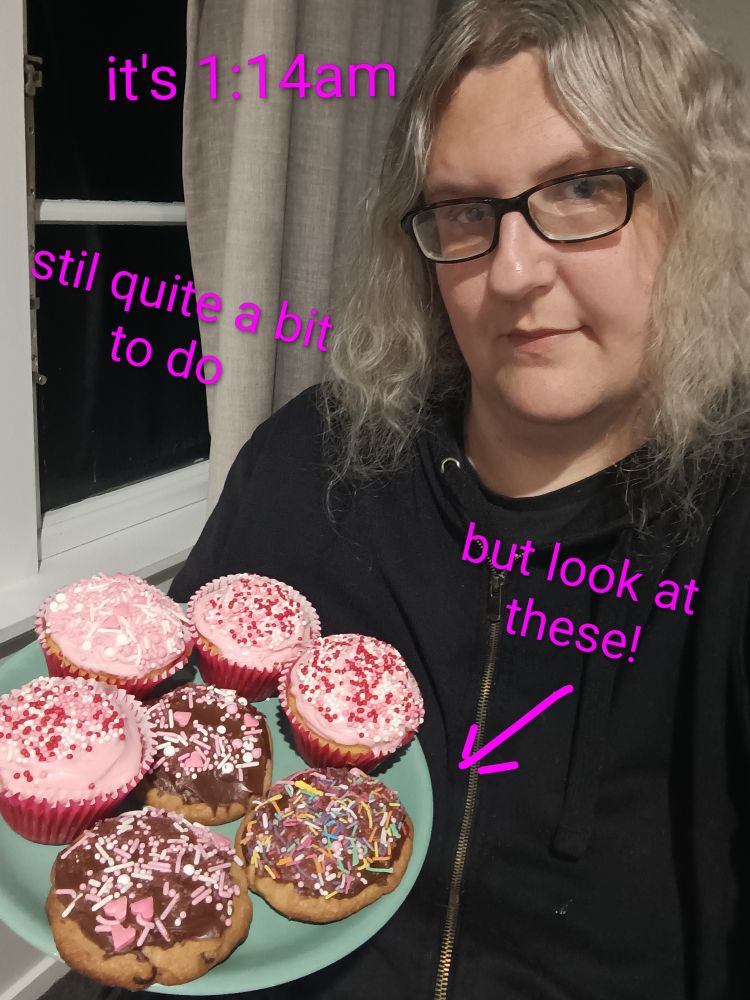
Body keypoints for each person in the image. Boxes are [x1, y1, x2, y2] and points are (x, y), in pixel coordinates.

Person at [167, 1, 750, 997]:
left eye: (579, 188)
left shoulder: (727, 524)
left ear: (695, 207)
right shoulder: (310, 461)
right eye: (468, 212)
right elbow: (179, 765)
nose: (515, 273)